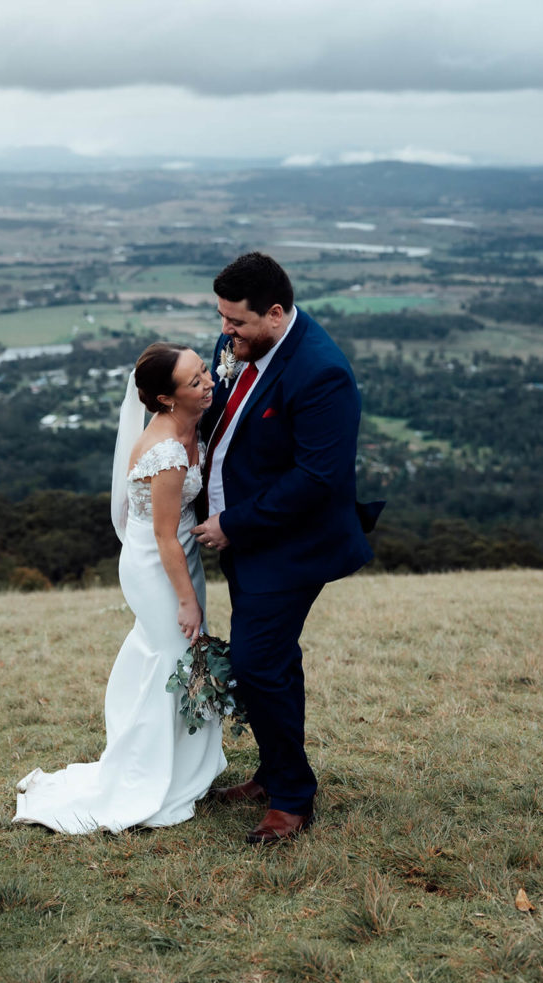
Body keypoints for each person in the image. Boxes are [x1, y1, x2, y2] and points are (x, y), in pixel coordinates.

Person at [192, 252, 383, 844]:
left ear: (275, 314)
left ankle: (293, 799)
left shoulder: (320, 371)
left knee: (255, 661)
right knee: (272, 662)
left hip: (289, 545)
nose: (225, 332)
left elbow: (318, 477)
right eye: (221, 317)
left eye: (237, 322)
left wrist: (234, 524)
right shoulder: (249, 342)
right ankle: (274, 772)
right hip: (246, 538)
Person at [13, 343, 226, 833]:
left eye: (203, 372)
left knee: (176, 657)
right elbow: (162, 536)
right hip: (159, 566)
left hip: (175, 559)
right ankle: (148, 776)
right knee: (174, 657)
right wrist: (187, 601)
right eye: (195, 381)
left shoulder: (186, 425)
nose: (208, 381)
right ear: (166, 399)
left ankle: (184, 765)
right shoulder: (168, 453)